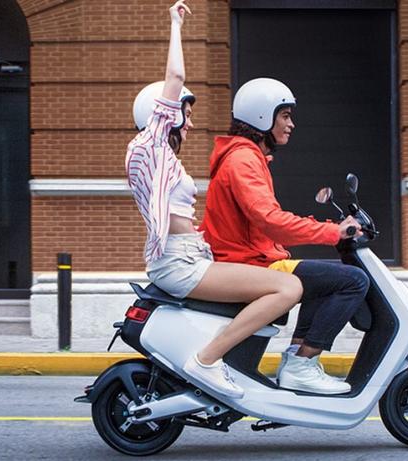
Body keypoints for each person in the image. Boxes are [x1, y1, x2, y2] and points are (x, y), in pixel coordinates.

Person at [126, 2, 302, 399]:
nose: (188, 122)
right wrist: (175, 24)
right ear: (160, 116)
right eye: (183, 115)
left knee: (274, 282)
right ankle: (206, 361)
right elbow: (175, 76)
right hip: (180, 263)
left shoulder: (160, 159)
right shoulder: (148, 147)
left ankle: (235, 367)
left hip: (191, 254)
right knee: (287, 289)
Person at [200, 78, 371, 395]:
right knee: (353, 281)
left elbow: (264, 220)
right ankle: (302, 365)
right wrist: (333, 231)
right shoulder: (243, 160)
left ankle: (297, 360)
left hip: (254, 259)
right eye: (285, 115)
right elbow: (270, 221)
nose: (291, 124)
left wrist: (323, 225)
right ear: (264, 116)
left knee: (324, 281)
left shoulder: (248, 157)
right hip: (252, 266)